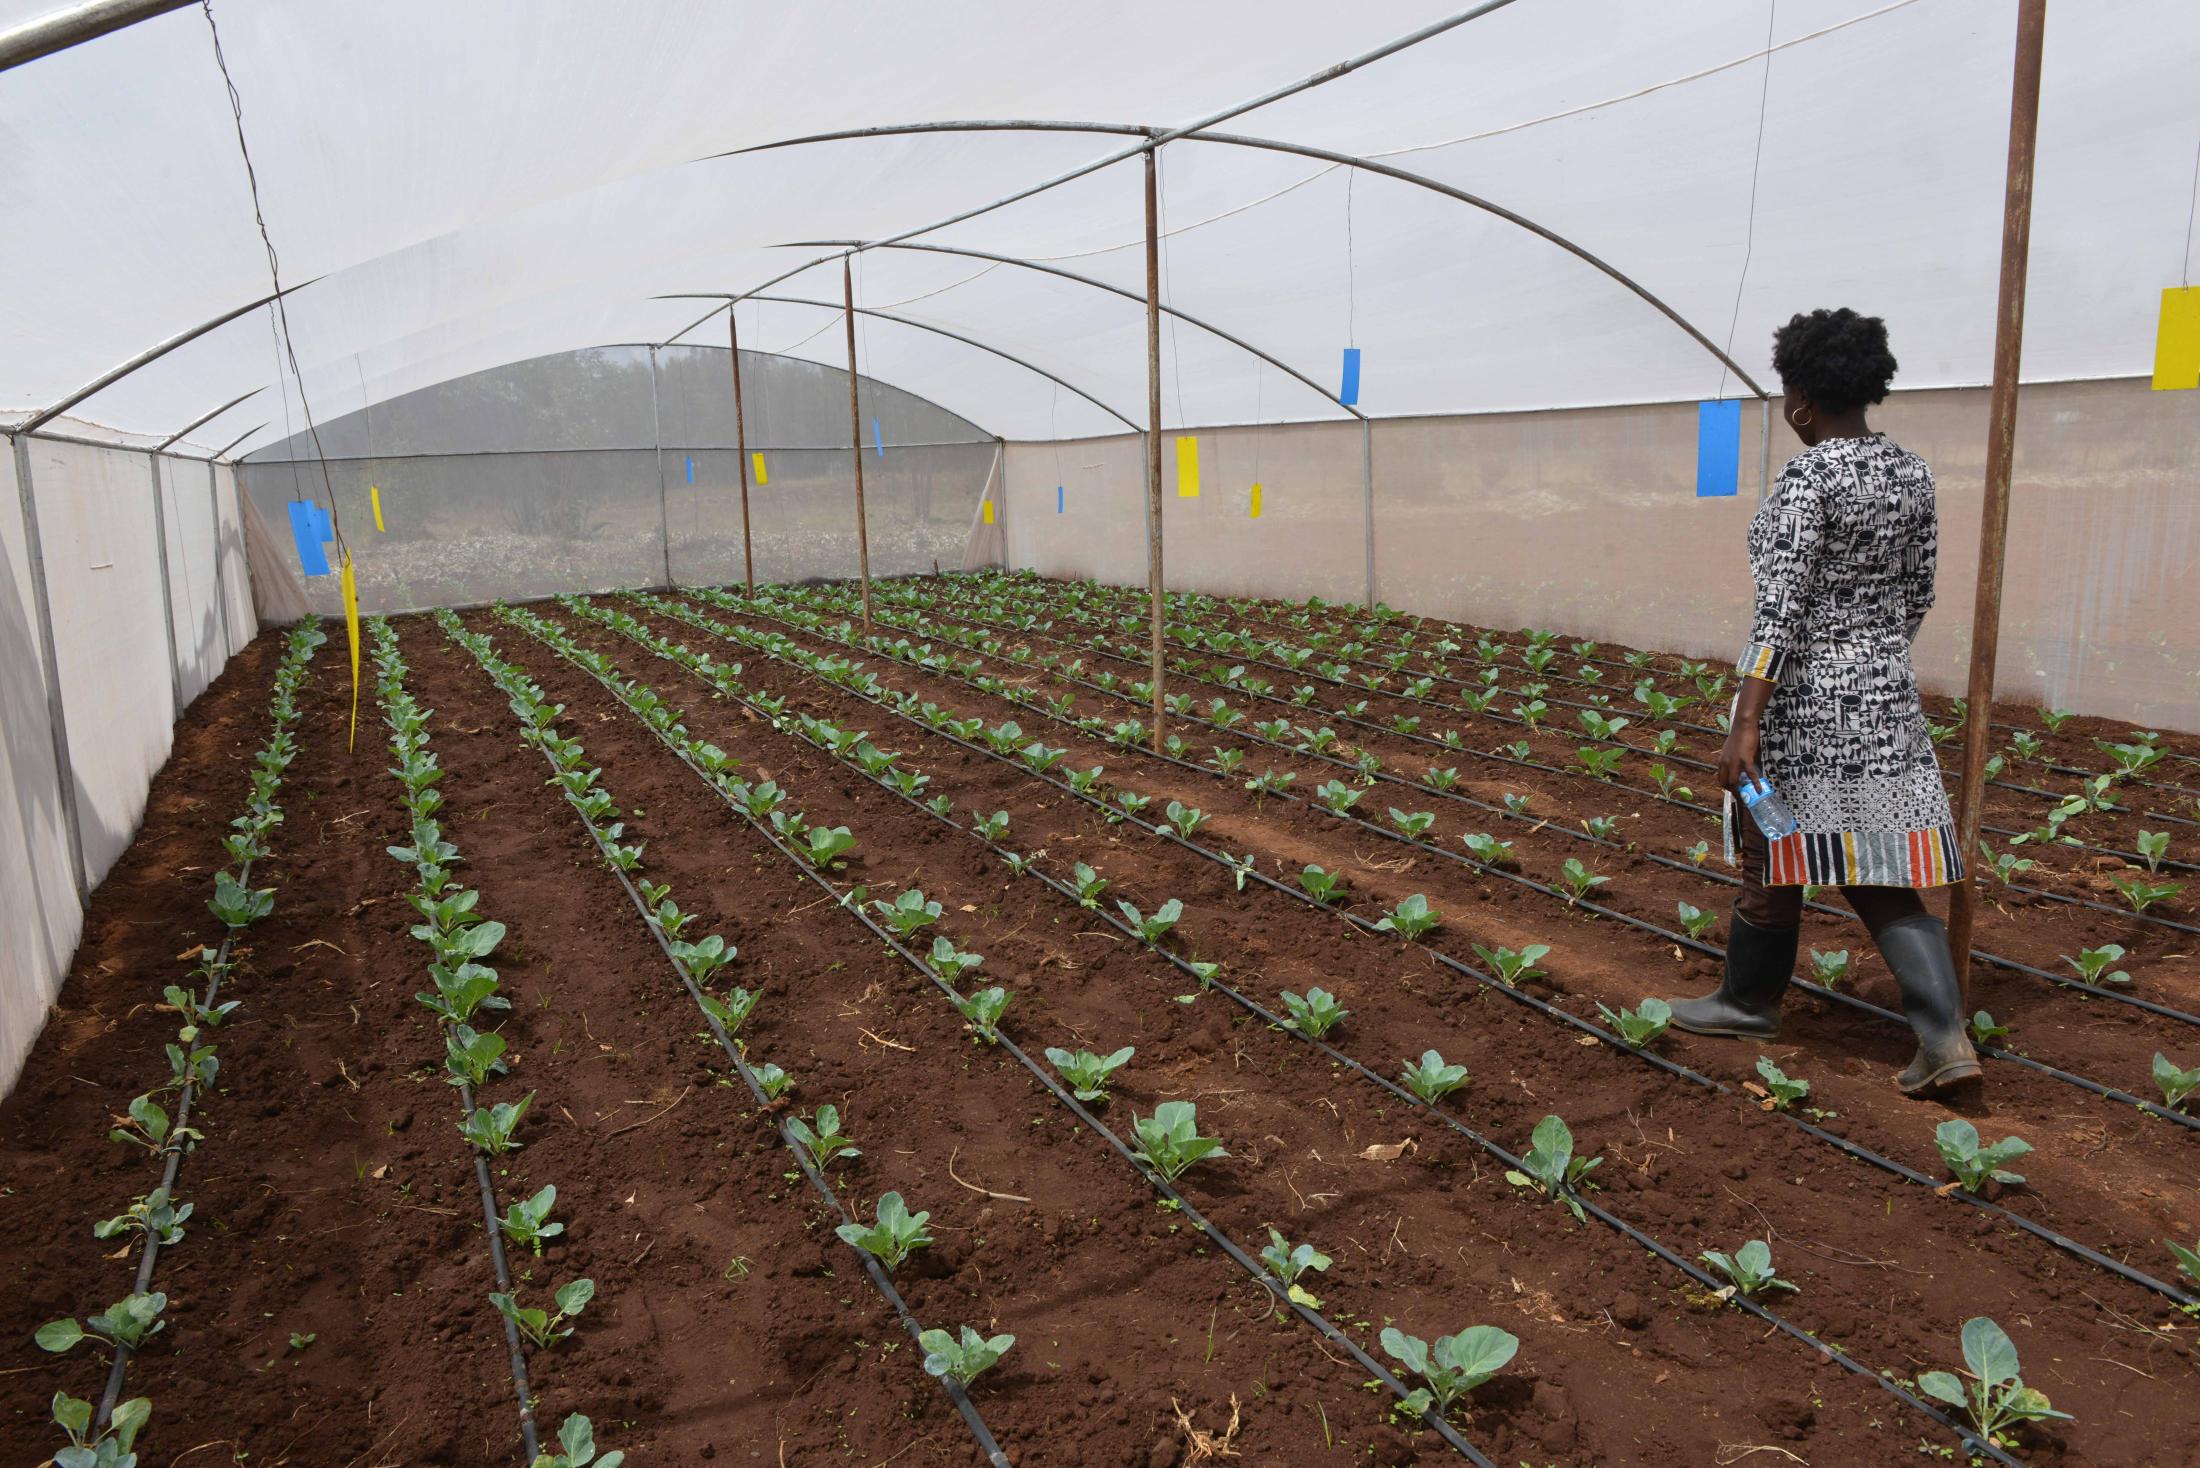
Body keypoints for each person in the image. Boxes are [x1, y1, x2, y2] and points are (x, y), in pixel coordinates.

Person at [1665, 308, 1981, 1095]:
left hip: (1801, 704)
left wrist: (1746, 722)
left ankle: (1747, 1001)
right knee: (1879, 868)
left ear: (1801, 397)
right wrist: (1870, 656)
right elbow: (1918, 592)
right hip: (1884, 698)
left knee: (1769, 837)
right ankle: (1944, 1038)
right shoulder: (1911, 473)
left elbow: (1782, 607)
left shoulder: (1810, 477)